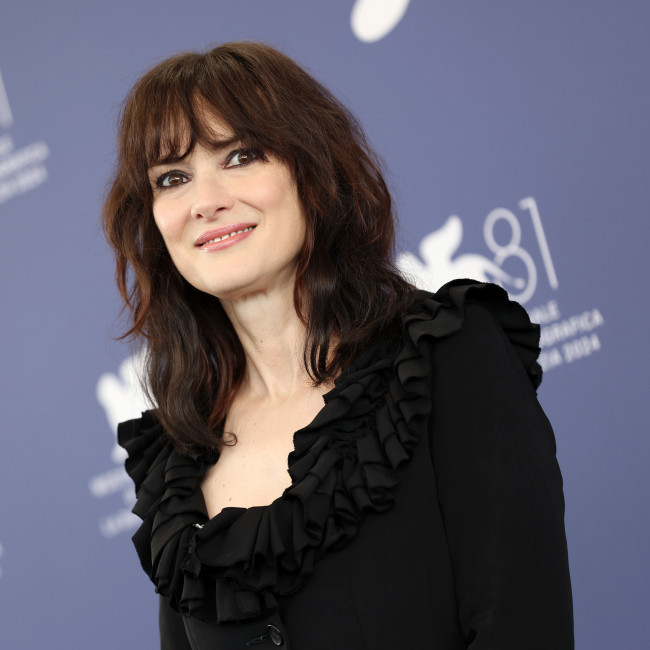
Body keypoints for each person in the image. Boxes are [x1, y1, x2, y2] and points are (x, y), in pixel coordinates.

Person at [103, 41, 573, 649]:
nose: (205, 201)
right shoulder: (177, 462)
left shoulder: (446, 356)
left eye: (240, 156)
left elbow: (522, 626)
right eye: (173, 178)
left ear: (313, 169)